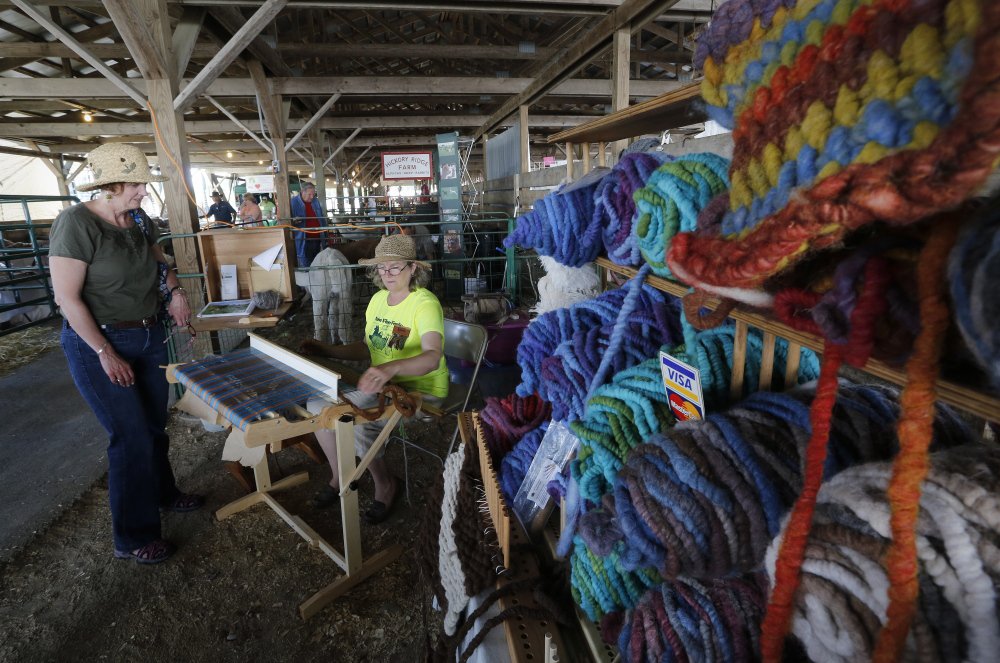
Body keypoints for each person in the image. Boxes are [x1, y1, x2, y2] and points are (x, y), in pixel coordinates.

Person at [48, 143, 204, 565]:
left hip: (149, 334)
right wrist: (103, 350)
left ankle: (164, 493)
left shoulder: (139, 220)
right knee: (129, 435)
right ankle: (133, 536)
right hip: (98, 343)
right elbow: (67, 298)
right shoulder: (76, 224)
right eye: (136, 184)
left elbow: (159, 262)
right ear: (110, 184)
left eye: (142, 183)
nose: (142, 191)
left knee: (153, 426)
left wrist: (174, 292)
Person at [299, 234, 448, 524]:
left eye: (395, 267)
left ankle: (386, 484)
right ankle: (339, 475)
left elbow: (432, 356)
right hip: (384, 384)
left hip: (419, 388)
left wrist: (389, 369)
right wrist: (325, 349)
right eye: (382, 268)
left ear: (412, 268)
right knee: (316, 404)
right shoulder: (378, 300)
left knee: (355, 423)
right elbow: (368, 347)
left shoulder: (425, 304)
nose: (388, 274)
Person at [290, 182, 328, 266]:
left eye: (313, 194)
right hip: (304, 239)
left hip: (317, 236)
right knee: (307, 261)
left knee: (317, 260)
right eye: (309, 194)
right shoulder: (293, 203)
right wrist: (293, 221)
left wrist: (325, 233)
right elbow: (286, 221)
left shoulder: (315, 201)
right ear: (302, 192)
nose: (312, 197)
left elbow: (321, 217)